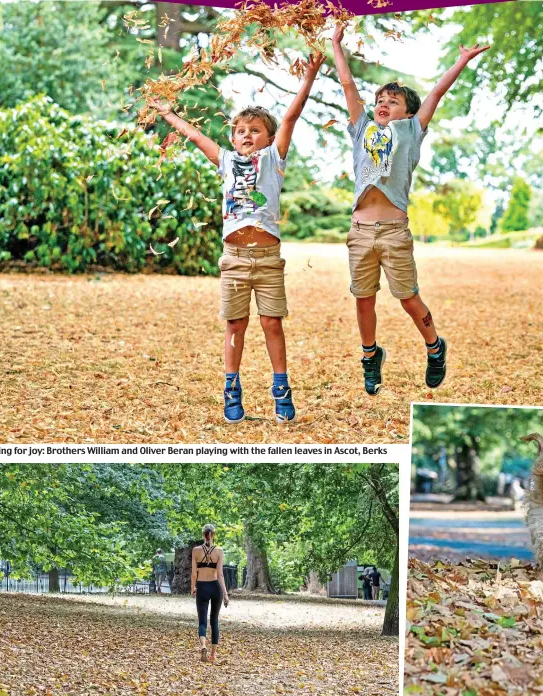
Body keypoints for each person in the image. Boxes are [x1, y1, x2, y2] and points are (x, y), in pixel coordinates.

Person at [149, 53, 325, 424]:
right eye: (241, 130)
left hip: (268, 260)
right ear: (232, 137)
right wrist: (167, 114)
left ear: (271, 137)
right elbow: (195, 135)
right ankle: (232, 388)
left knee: (272, 323)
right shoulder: (226, 160)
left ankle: (281, 388)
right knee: (235, 325)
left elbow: (291, 115)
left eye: (256, 129)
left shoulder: (275, 158)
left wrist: (308, 75)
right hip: (233, 258)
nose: (247, 135)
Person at [331, 24, 489, 395]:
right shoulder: (362, 129)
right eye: (381, 100)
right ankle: (371, 357)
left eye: (393, 101)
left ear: (407, 113)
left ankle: (435, 348)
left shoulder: (411, 132)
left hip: (394, 233)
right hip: (360, 232)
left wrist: (462, 60)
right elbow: (348, 85)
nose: (383, 104)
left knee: (407, 297)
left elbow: (436, 92)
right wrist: (336, 44)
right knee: (363, 298)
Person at [191, 524, 229, 663]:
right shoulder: (219, 551)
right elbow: (220, 575)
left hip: (202, 587)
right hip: (215, 587)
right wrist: (225, 594)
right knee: (214, 621)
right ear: (214, 535)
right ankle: (213, 655)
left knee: (202, 621)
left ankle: (203, 646)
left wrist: (192, 588)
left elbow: (194, 573)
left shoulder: (196, 551)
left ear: (203, 535)